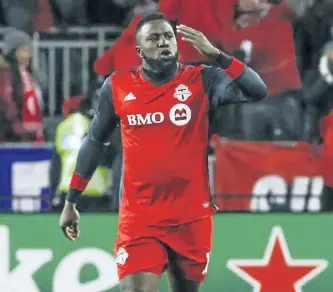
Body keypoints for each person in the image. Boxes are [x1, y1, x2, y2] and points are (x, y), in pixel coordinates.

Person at [59, 12, 267, 292]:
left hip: (191, 218)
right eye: (154, 38)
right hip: (139, 219)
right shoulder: (118, 86)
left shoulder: (202, 79)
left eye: (168, 36)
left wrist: (217, 55)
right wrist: (71, 201)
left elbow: (258, 90)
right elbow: (95, 142)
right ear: (139, 50)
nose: (163, 42)